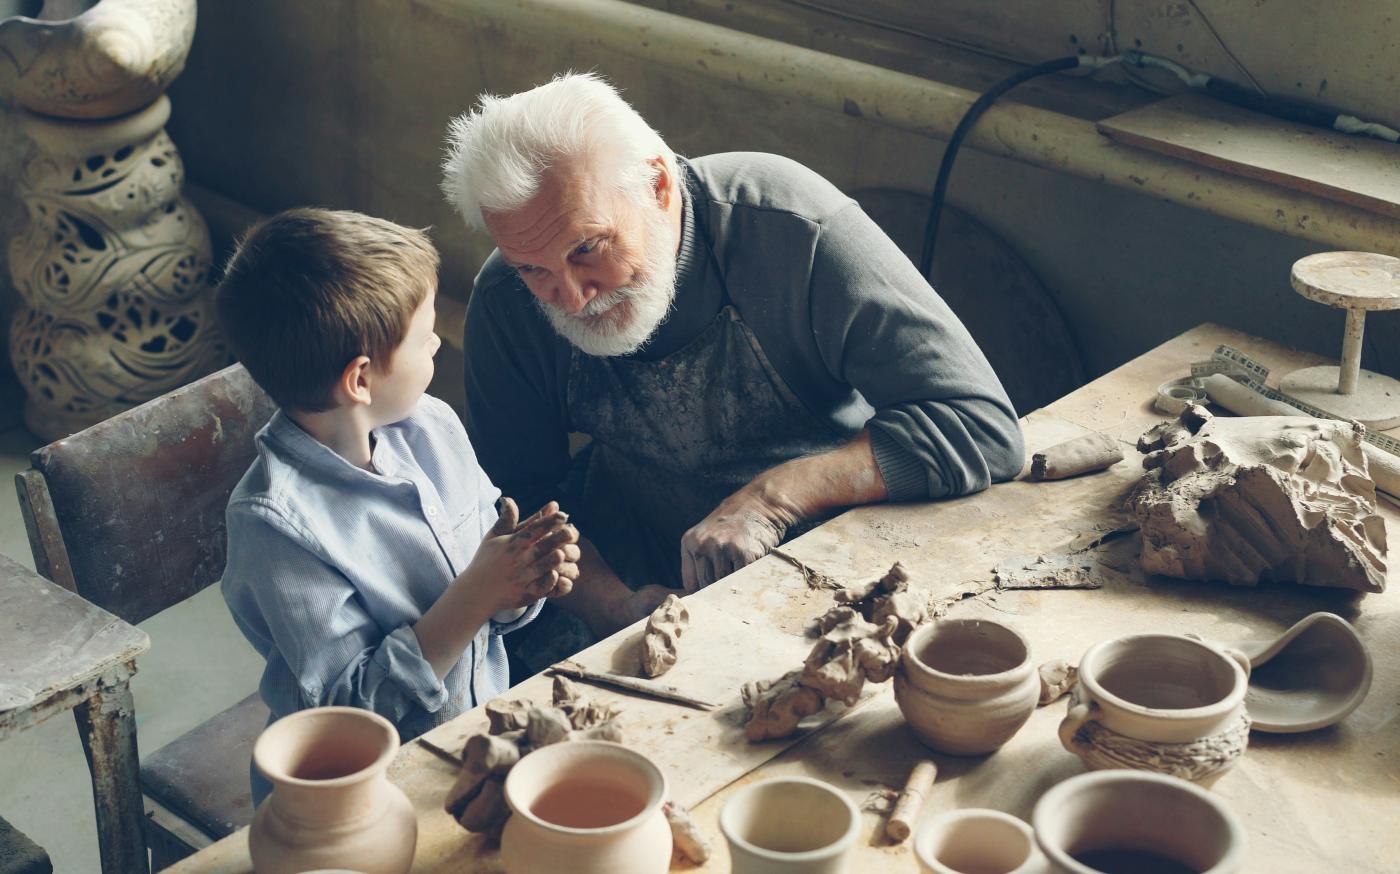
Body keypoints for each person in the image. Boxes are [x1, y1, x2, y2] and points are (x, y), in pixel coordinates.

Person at [440, 73, 1024, 655]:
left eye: (587, 249)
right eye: (534, 268)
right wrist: (615, 606)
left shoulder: (791, 227)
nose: (570, 298)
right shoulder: (507, 299)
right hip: (640, 568)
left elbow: (981, 426)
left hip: (844, 550)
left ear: (657, 186)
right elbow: (512, 504)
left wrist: (773, 497)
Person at [216, 208, 580, 803]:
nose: (436, 342)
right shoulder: (275, 527)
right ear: (360, 379)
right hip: (358, 798)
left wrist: (522, 580)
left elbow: (490, 595)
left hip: (474, 739)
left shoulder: (431, 425)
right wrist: (476, 594)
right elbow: (347, 721)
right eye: (423, 334)